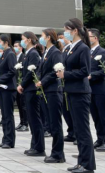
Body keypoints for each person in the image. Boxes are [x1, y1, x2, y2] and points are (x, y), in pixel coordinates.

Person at [56, 18, 95, 173]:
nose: (65, 33)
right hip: (70, 91)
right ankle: (81, 162)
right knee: (77, 130)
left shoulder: (83, 48)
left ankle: (88, 165)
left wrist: (66, 74)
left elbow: (85, 71)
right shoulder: (69, 48)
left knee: (83, 129)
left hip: (80, 92)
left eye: (67, 30)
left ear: (75, 30)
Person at [36, 29, 65, 163]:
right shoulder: (46, 52)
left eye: (42, 36)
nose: (40, 39)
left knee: (55, 123)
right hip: (46, 91)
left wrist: (43, 81)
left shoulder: (55, 52)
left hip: (53, 91)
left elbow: (56, 71)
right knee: (50, 122)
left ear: (48, 38)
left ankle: (58, 154)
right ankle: (55, 152)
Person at [17, 31, 45, 157]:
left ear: (28, 40)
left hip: (32, 90)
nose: (21, 41)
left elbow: (30, 73)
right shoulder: (27, 54)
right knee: (32, 118)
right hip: (28, 89)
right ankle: (34, 145)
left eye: (23, 39)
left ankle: (39, 147)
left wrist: (22, 84)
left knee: (35, 118)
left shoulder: (33, 53)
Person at [88, 29, 105, 152]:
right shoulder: (88, 52)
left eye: (89, 37)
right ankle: (100, 138)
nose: (87, 39)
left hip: (100, 88)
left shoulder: (102, 52)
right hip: (90, 89)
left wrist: (91, 75)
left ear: (96, 38)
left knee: (104, 116)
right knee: (95, 115)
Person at [0, 34, 17, 149]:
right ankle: (5, 138)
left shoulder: (10, 54)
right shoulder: (4, 54)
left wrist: (0, 79)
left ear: (6, 42)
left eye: (0, 42)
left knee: (8, 115)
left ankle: (9, 140)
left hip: (8, 88)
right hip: (2, 88)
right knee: (4, 115)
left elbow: (12, 71)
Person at [58, 32, 75, 142]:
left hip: (70, 82)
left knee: (71, 110)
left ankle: (75, 133)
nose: (60, 40)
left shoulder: (70, 48)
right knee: (65, 110)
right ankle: (71, 131)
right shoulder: (63, 50)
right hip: (64, 84)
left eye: (61, 38)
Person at [14, 41, 28, 132]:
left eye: (16, 46)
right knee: (19, 104)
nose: (15, 48)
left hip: (22, 84)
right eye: (14, 46)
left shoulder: (23, 57)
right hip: (16, 84)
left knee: (23, 105)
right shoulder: (14, 58)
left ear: (21, 48)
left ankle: (25, 123)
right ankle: (21, 121)